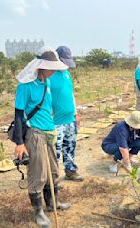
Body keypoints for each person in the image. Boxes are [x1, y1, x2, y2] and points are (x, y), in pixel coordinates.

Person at [12, 47, 71, 227]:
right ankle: (38, 212)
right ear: (41, 66)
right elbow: (18, 115)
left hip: (49, 133)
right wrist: (20, 143)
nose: (53, 71)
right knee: (38, 174)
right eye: (51, 67)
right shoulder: (25, 86)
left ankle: (52, 203)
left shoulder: (46, 82)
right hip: (35, 134)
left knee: (53, 171)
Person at [49, 46, 83, 182]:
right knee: (55, 151)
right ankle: (53, 177)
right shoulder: (50, 75)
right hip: (56, 121)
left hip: (70, 120)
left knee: (70, 147)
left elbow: (70, 94)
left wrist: (75, 114)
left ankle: (70, 171)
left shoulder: (67, 74)